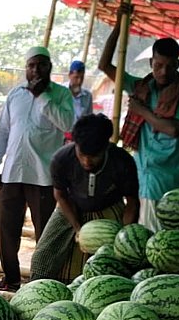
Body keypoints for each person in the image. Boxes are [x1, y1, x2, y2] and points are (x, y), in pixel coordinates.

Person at [0, 46, 74, 292]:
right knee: (7, 230)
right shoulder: (15, 95)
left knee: (45, 233)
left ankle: (42, 283)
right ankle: (11, 279)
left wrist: (42, 98)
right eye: (31, 65)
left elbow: (68, 124)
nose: (36, 70)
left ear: (49, 67)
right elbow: (3, 131)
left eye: (41, 65)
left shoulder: (60, 95)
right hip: (12, 173)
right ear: (26, 68)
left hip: (43, 176)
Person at [99, 25, 179, 230]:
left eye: (170, 66)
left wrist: (141, 111)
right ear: (151, 62)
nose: (163, 72)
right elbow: (105, 65)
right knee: (138, 231)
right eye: (158, 65)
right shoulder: (141, 87)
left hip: (166, 175)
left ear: (178, 65)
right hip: (140, 171)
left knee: (156, 236)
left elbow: (173, 129)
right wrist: (119, 26)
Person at [30, 113, 139, 283]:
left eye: (94, 156)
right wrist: (77, 227)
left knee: (117, 265)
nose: (87, 162)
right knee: (42, 259)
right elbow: (60, 194)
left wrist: (123, 235)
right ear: (75, 145)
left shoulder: (123, 161)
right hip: (70, 207)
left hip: (109, 207)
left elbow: (132, 203)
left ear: (106, 148)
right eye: (82, 154)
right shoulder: (61, 159)